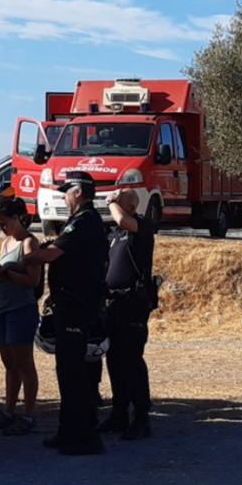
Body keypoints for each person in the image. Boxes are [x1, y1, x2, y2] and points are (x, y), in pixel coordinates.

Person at [17, 170, 107, 456]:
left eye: (67, 191)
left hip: (78, 307)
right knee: (67, 371)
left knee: (75, 374)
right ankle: (68, 430)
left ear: (78, 192)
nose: (64, 196)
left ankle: (85, 436)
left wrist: (20, 260)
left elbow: (50, 254)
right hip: (70, 306)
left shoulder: (84, 221)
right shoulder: (80, 221)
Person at [0, 196, 42, 435]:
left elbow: (32, 281)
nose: (1, 228)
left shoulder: (29, 243)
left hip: (21, 310)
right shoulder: (6, 243)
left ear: (16, 218)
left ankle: (29, 413)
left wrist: (5, 272)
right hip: (2, 309)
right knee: (9, 364)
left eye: (3, 223)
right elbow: (6, 280)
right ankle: (9, 410)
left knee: (25, 364)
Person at [99, 188, 157, 441]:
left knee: (132, 360)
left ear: (131, 206)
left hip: (133, 303)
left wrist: (111, 201)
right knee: (114, 360)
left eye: (119, 200)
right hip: (113, 304)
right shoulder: (114, 234)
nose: (112, 201)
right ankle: (119, 413)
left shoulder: (141, 227)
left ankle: (141, 417)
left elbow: (123, 220)